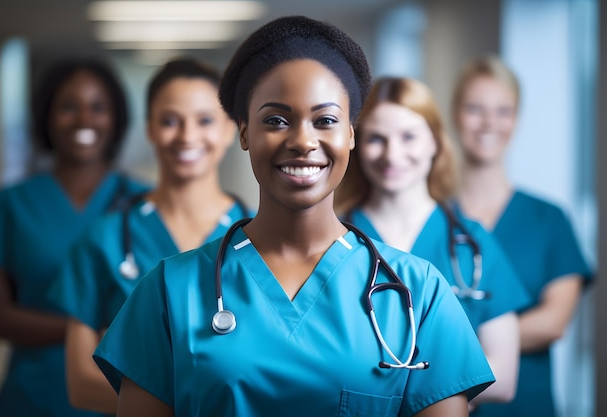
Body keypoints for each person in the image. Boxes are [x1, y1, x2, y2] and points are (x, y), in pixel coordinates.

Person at [93, 16, 495, 417]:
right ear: (245, 132)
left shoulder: (419, 292)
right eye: (276, 120)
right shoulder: (169, 290)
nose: (303, 140)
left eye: (326, 120)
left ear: (351, 134)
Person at [48, 57, 249, 415]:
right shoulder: (103, 240)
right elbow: (81, 384)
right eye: (170, 121)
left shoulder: (261, 238)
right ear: (151, 129)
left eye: (205, 120)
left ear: (231, 129)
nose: (187, 136)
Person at [335, 76, 532, 414]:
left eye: (409, 136)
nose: (392, 154)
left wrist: (388, 398)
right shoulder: (333, 240)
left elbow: (504, 374)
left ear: (435, 142)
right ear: (356, 144)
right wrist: (443, 389)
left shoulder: (473, 244)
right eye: (376, 139)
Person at [0, 59, 148, 417]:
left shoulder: (146, 205)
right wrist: (87, 330)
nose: (83, 119)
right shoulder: (10, 205)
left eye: (98, 107)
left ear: (116, 117)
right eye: (68, 107)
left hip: (123, 399)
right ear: (46, 116)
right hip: (32, 399)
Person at [451, 55, 592, 417]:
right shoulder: (431, 215)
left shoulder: (549, 219)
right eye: (475, 109)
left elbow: (553, 322)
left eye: (503, 111)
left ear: (516, 119)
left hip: (524, 405)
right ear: (454, 115)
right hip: (443, 405)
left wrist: (453, 354)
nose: (489, 123)